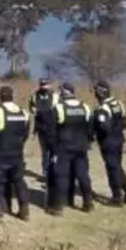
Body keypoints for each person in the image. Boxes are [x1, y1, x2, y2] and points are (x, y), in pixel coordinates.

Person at [0, 85, 31, 221]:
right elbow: (25, 134)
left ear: (0, 97)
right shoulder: (24, 113)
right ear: (13, 96)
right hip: (17, 153)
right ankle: (24, 209)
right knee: (19, 181)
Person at [49, 84, 94, 215]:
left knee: (62, 174)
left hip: (64, 146)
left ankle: (58, 206)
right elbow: (90, 128)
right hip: (81, 146)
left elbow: (52, 130)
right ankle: (88, 203)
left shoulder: (59, 108)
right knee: (82, 174)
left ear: (63, 93)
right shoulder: (85, 107)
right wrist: (88, 141)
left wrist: (53, 147)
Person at [92, 81, 126, 207]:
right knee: (117, 167)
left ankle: (117, 197)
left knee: (112, 169)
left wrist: (96, 131)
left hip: (108, 142)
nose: (95, 94)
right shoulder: (119, 104)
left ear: (101, 93)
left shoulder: (103, 108)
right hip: (119, 139)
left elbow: (103, 127)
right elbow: (124, 123)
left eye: (96, 91)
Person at [28, 78, 60, 185]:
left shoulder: (55, 96)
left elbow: (56, 110)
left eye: (46, 84)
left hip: (53, 127)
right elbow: (32, 110)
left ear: (49, 85)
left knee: (54, 151)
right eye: (42, 84)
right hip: (41, 128)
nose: (43, 86)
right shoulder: (34, 95)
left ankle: (54, 172)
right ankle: (45, 173)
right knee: (45, 152)